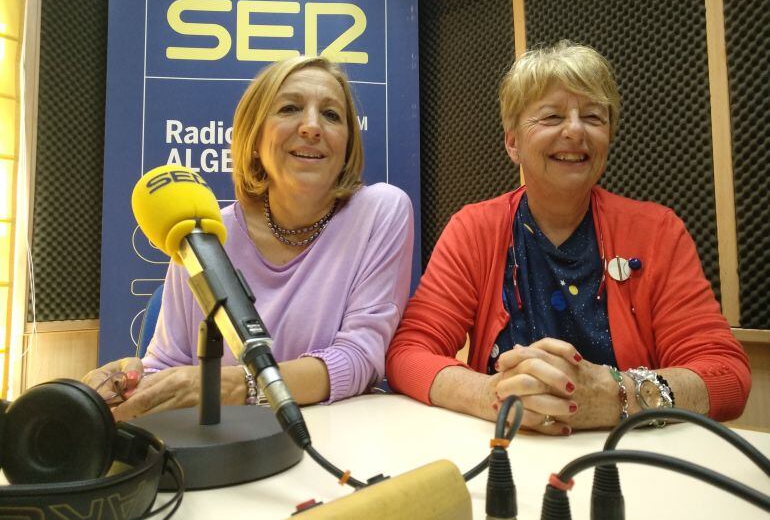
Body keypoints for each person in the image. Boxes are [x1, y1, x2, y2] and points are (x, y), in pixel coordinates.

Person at [385, 40, 750, 435]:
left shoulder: (657, 230)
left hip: (632, 461)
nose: (575, 130)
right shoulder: (473, 229)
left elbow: (726, 376)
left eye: (593, 117)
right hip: (509, 452)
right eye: (552, 116)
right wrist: (492, 394)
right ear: (512, 142)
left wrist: (615, 397)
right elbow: (408, 352)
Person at [85, 56, 414, 420]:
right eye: (289, 108)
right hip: (229, 447)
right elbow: (169, 365)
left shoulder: (380, 211)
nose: (311, 126)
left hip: (335, 442)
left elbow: (360, 358)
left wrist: (232, 386)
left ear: (348, 145)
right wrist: (133, 381)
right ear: (255, 137)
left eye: (332, 115)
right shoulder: (202, 233)